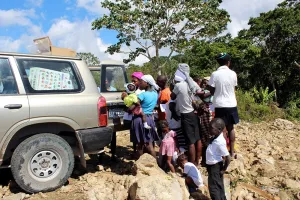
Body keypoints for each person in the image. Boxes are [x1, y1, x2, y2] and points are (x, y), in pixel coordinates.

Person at [208, 53, 239, 158]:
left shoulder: (214, 74)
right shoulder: (233, 74)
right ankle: (232, 152)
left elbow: (211, 90)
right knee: (231, 128)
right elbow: (233, 88)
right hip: (231, 104)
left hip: (220, 105)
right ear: (228, 62)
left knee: (220, 129)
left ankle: (223, 153)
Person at [171, 64, 202, 166]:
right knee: (198, 139)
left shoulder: (179, 85)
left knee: (190, 142)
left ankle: (192, 164)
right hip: (194, 114)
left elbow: (172, 96)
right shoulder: (193, 83)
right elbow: (199, 93)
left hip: (185, 115)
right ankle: (197, 161)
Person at [131, 75, 159, 158]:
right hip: (150, 119)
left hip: (140, 120)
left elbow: (131, 108)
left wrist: (127, 99)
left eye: (141, 82)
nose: (139, 83)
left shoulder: (142, 95)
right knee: (148, 143)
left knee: (142, 145)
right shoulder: (155, 94)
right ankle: (154, 165)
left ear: (146, 83)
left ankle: (152, 165)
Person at [206, 118, 231, 200]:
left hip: (215, 167)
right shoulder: (215, 137)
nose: (209, 129)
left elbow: (228, 157)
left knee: (214, 188)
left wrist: (224, 170)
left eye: (211, 128)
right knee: (219, 186)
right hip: (213, 166)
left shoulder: (220, 141)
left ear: (219, 129)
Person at [126, 72, 144, 155]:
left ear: (140, 81)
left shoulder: (140, 92)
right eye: (132, 81)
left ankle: (139, 154)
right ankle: (135, 152)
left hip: (139, 116)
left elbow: (132, 107)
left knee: (140, 137)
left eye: (135, 81)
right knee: (135, 136)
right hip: (135, 116)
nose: (132, 83)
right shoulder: (133, 91)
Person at [166, 83, 187, 152]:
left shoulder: (174, 98)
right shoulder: (174, 99)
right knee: (179, 144)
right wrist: (174, 114)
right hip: (176, 125)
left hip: (173, 124)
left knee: (177, 143)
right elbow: (171, 106)